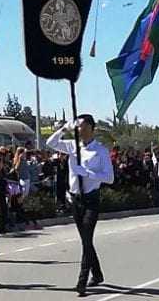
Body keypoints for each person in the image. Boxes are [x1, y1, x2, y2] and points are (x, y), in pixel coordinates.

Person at [46, 114, 114, 297]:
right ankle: (97, 274)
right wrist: (64, 129)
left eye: (82, 127)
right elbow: (50, 143)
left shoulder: (100, 151)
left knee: (86, 240)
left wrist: (87, 172)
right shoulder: (72, 146)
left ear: (92, 128)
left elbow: (110, 177)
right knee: (86, 240)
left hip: (91, 199)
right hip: (76, 199)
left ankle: (82, 282)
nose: (79, 130)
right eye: (77, 127)